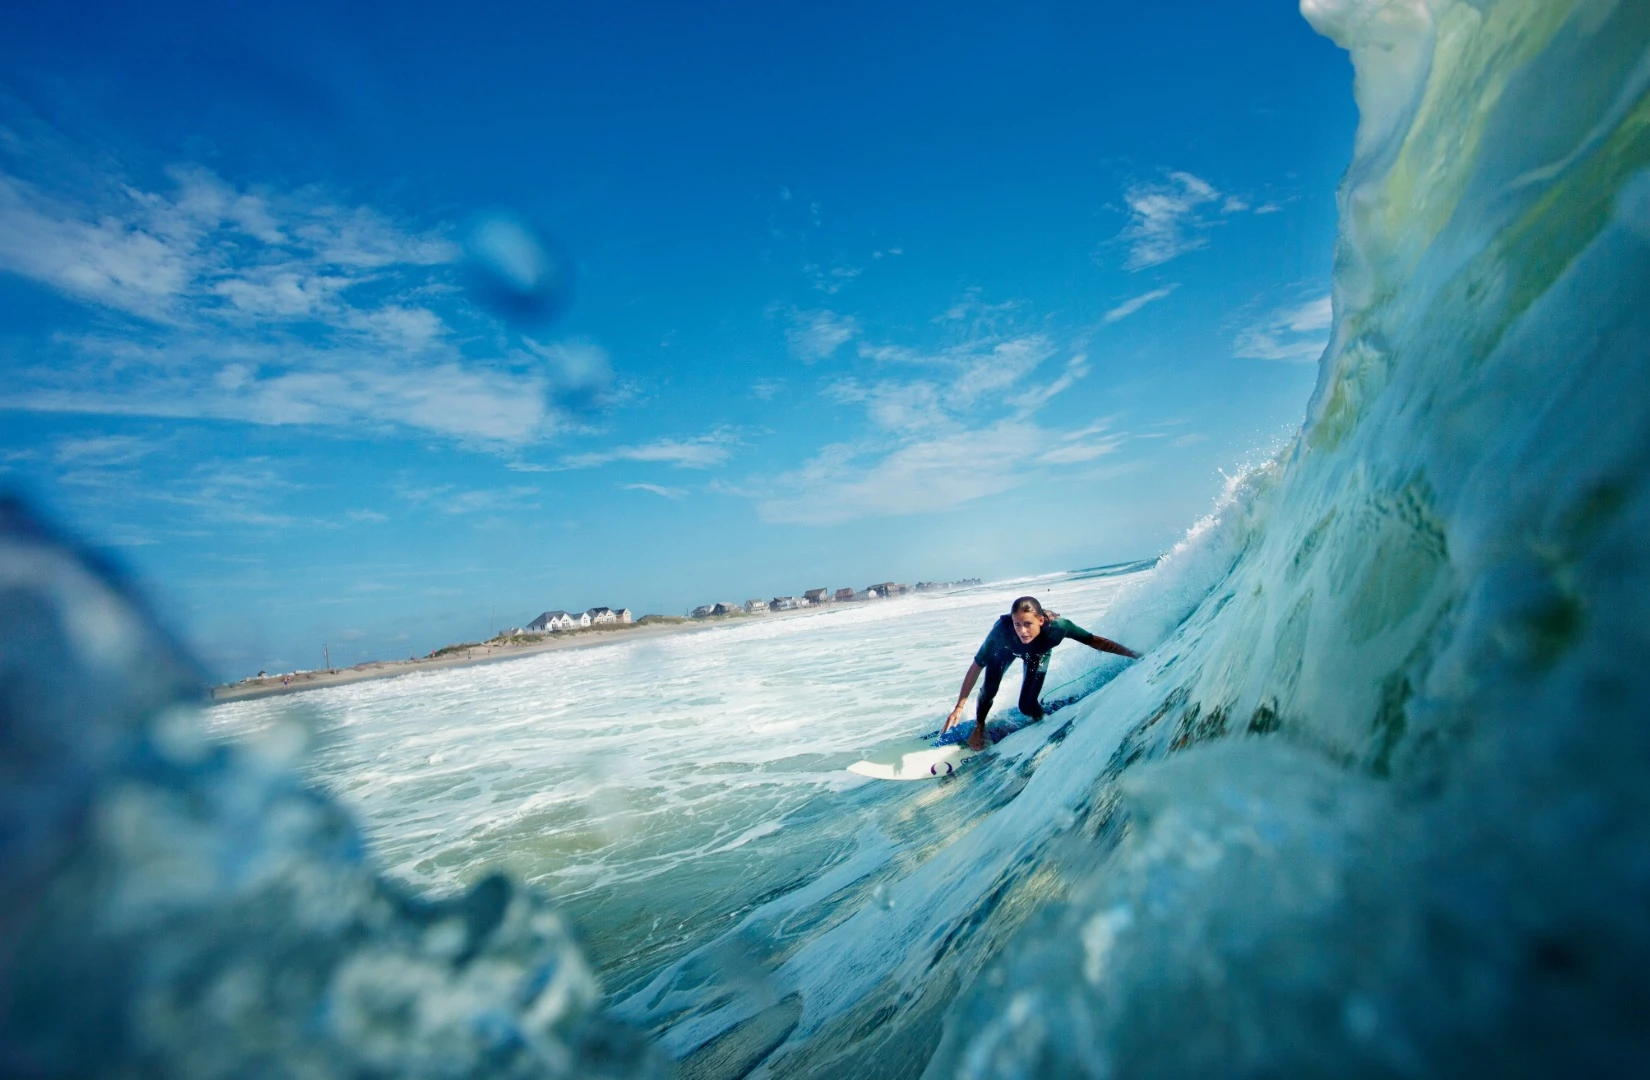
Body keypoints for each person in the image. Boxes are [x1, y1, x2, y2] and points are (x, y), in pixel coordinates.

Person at [943, 595, 1141, 751]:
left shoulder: (1058, 628)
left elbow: (1094, 640)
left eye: (1028, 624)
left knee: (1027, 706)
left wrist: (1131, 653)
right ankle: (980, 726)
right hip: (1005, 651)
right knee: (989, 689)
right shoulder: (1001, 631)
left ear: (1040, 620)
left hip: (1038, 654)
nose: (1022, 631)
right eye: (1017, 624)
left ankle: (1042, 720)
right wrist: (960, 706)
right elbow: (977, 665)